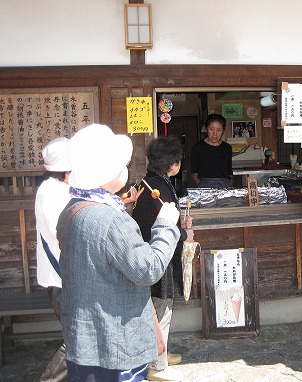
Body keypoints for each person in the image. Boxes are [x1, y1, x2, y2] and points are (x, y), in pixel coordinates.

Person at [56, 123, 181, 382]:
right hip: (114, 346)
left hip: (84, 341)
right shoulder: (111, 220)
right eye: (121, 165)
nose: (126, 169)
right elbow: (149, 269)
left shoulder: (74, 208)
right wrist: (166, 225)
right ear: (106, 172)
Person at [132, 136, 193, 382]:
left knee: (158, 309)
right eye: (177, 160)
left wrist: (181, 226)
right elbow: (163, 228)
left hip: (149, 254)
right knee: (161, 309)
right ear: (172, 163)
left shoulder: (148, 184)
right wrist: (185, 232)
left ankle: (162, 353)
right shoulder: (161, 190)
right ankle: (156, 364)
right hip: (160, 258)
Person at [35, 137, 72, 382]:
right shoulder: (52, 192)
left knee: (78, 338)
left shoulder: (55, 189)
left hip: (63, 275)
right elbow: (64, 232)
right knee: (77, 339)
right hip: (61, 277)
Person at [191, 113, 232, 188]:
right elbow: (194, 173)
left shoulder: (227, 148)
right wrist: (205, 187)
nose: (215, 134)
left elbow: (229, 171)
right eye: (211, 129)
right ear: (206, 129)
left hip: (224, 186)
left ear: (223, 131)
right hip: (205, 186)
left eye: (219, 130)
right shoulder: (197, 148)